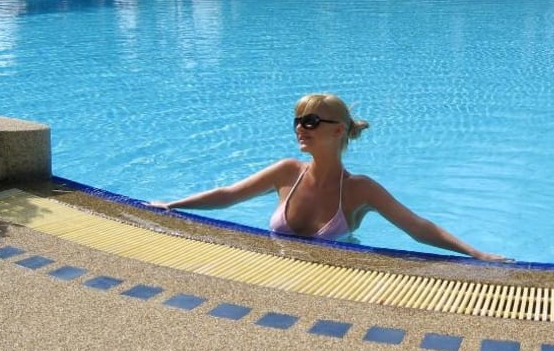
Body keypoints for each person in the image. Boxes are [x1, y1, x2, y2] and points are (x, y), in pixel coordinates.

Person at [148, 93, 510, 262]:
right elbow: (229, 195)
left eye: (310, 122)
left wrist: (475, 253)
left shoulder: (359, 190)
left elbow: (416, 226)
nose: (300, 128)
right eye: (297, 120)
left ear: (338, 131)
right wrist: (173, 205)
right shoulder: (286, 172)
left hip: (335, 281)